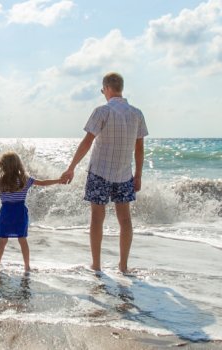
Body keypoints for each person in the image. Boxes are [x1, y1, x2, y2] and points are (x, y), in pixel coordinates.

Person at [61, 72, 148, 273]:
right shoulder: (137, 113)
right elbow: (140, 149)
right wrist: (139, 175)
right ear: (121, 88)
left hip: (99, 172)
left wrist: (71, 167)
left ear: (107, 88)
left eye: (102, 90)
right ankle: (123, 266)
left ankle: (97, 265)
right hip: (125, 174)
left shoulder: (102, 111)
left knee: (97, 219)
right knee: (125, 220)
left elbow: (87, 142)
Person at [0, 152, 62, 272]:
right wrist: (59, 180)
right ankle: (27, 267)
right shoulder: (25, 180)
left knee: (2, 241)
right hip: (19, 213)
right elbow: (43, 183)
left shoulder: (0, 181)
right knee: (22, 240)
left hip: (6, 213)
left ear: (3, 166)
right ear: (18, 165)